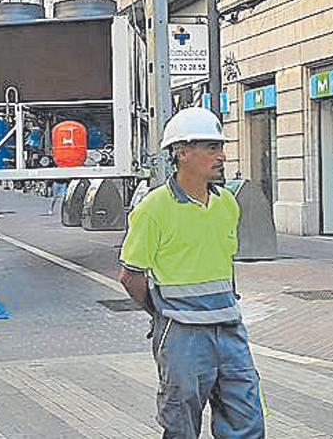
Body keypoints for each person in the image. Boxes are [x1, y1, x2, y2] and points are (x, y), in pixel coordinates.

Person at [118, 107, 265, 438]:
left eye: (221, 147)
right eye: (212, 148)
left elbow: (224, 265)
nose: (222, 156)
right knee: (181, 422)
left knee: (247, 420)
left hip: (229, 329)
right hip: (182, 333)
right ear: (182, 152)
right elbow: (131, 276)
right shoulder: (153, 210)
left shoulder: (227, 203)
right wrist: (162, 314)